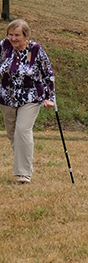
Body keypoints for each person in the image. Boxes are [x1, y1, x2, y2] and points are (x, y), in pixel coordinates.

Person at [1, 19, 56, 183]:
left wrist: (49, 97)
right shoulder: (4, 46)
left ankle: (24, 173)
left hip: (31, 97)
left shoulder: (36, 50)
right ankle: (22, 162)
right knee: (13, 134)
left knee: (22, 130)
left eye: (17, 35)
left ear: (26, 36)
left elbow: (48, 74)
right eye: (10, 34)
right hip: (6, 98)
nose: (13, 38)